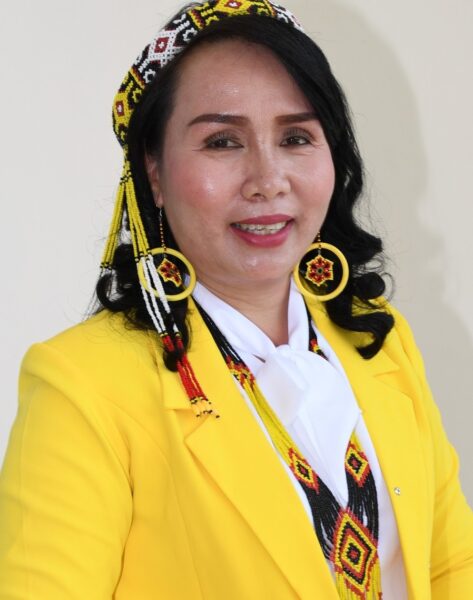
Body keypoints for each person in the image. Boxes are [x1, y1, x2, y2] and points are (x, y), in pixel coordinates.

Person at [1, 1, 472, 598]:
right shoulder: (82, 386)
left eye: (296, 137)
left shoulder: (378, 339)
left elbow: (452, 565)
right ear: (153, 172)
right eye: (223, 142)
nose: (268, 180)